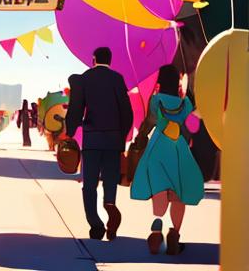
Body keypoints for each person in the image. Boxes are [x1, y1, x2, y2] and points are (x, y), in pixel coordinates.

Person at [130, 64, 204, 256]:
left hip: (157, 149)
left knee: (160, 190)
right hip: (178, 149)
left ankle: (156, 233)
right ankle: (174, 235)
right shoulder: (186, 103)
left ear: (160, 81)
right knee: (179, 193)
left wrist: (140, 138)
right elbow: (192, 127)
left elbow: (148, 124)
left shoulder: (155, 100)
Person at [66, 46, 133, 242]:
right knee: (110, 181)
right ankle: (110, 205)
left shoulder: (85, 78)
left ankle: (95, 224)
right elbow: (126, 112)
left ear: (93, 59)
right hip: (113, 140)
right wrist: (122, 137)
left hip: (92, 139)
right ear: (110, 60)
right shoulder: (117, 79)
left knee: (90, 184)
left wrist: (69, 132)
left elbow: (76, 107)